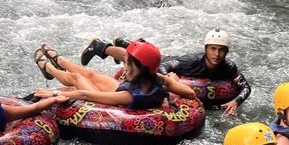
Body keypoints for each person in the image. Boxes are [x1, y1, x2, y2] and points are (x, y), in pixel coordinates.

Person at [80, 30, 252, 117]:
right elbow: (160, 69)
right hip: (165, 61)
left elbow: (245, 87)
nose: (217, 54)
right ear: (206, 49)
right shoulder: (191, 62)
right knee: (137, 58)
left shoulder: (228, 66)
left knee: (134, 54)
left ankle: (123, 42)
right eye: (213, 49)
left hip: (163, 64)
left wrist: (236, 101)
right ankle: (102, 47)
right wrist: (171, 79)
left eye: (221, 50)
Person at [31, 40, 196, 110]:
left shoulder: (128, 96)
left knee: (78, 79)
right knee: (92, 74)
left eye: (130, 65)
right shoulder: (159, 79)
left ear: (144, 69)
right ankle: (59, 59)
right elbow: (190, 93)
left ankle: (48, 68)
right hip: (125, 89)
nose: (125, 69)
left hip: (114, 99)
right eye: (125, 63)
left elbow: (84, 94)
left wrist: (54, 93)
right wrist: (174, 85)